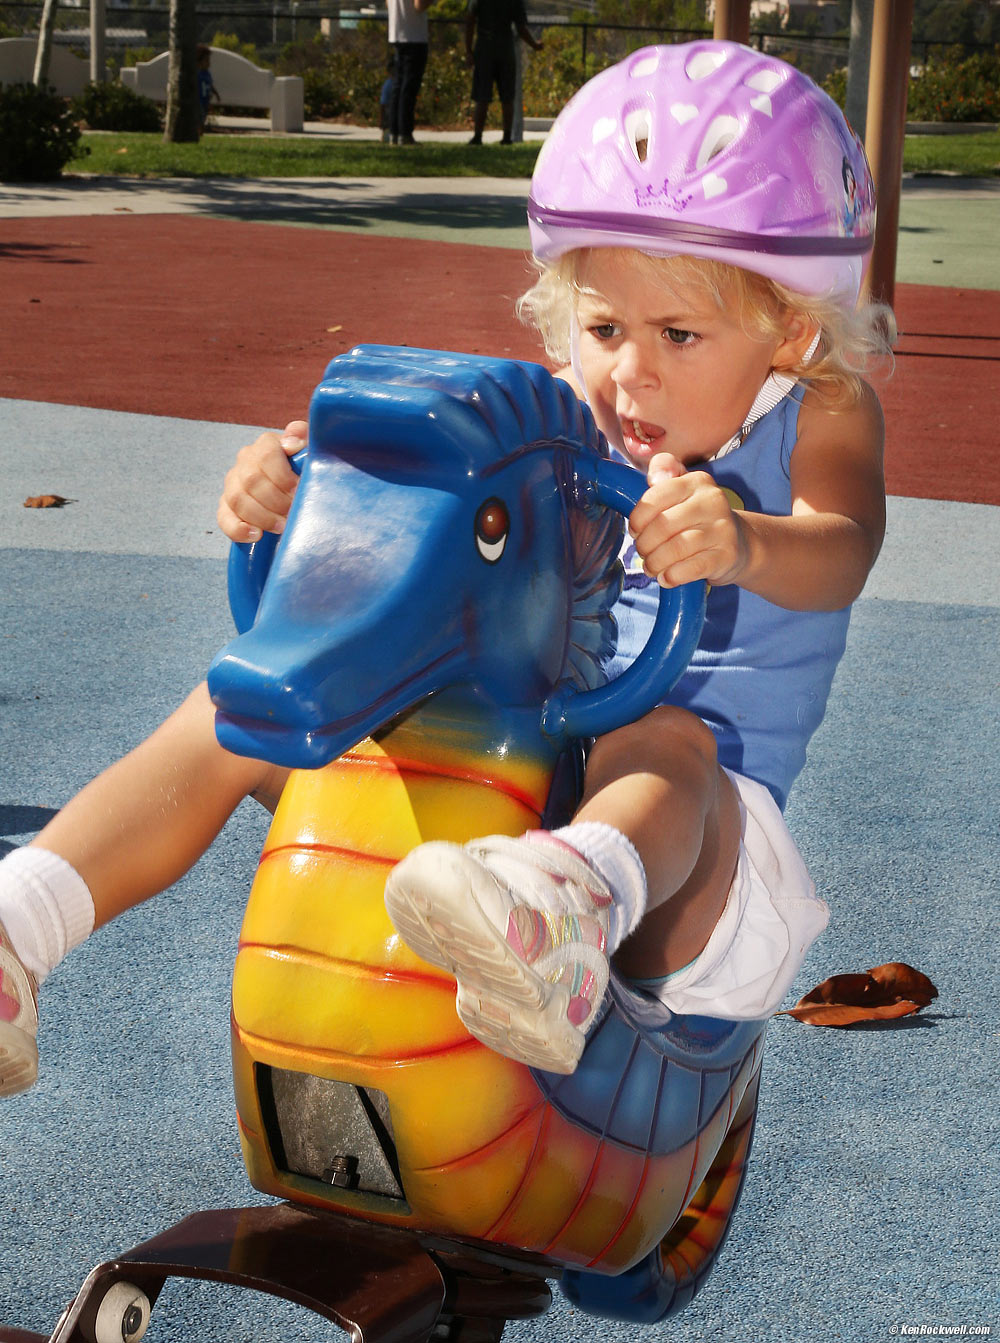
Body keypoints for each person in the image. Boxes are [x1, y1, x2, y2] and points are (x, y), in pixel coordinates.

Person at [0, 42, 894, 1095]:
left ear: (789, 331)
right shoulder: (556, 415)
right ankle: (22, 925)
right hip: (509, 791)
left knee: (666, 733)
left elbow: (842, 551)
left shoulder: (819, 408)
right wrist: (287, 498)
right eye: (601, 326)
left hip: (692, 854)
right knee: (245, 695)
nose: (627, 368)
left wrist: (745, 540)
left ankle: (569, 907)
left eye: (678, 333)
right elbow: (397, 532)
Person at [465, 0, 541, 145]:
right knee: (507, 96)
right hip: (505, 46)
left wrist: (468, 50)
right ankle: (507, 136)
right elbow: (520, 27)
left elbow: (470, 20)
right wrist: (534, 44)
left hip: (485, 46)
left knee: (482, 95)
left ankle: (478, 136)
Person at [387, 0, 431, 146]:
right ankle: (405, 133)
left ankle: (394, 132)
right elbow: (420, 5)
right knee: (409, 88)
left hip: (397, 32)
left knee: (398, 86)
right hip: (414, 35)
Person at [196, 44, 221, 136]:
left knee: (203, 119)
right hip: (198, 101)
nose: (208, 63)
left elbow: (210, 85)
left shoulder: (207, 73)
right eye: (206, 61)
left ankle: (200, 133)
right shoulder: (197, 74)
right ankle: (198, 133)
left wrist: (216, 94)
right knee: (199, 119)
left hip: (205, 101)